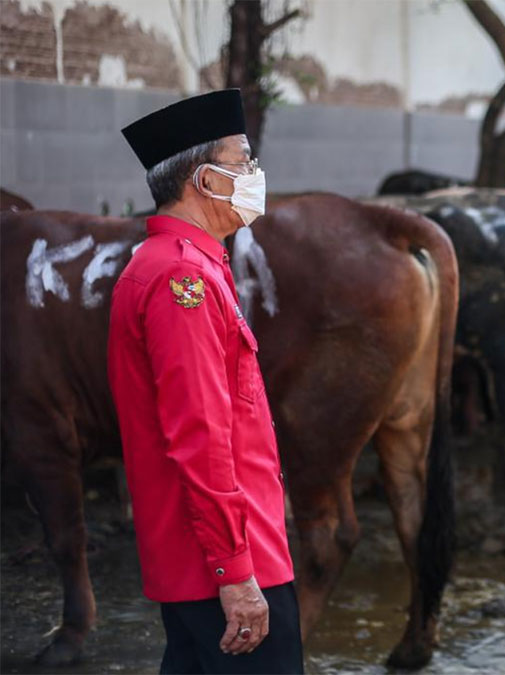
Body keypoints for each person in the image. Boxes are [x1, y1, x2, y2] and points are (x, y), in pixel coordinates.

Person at [109, 89, 303, 673]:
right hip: (224, 564)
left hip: (223, 551)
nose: (254, 174)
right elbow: (199, 437)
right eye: (244, 161)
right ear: (206, 179)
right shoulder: (179, 278)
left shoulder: (190, 264)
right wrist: (234, 571)